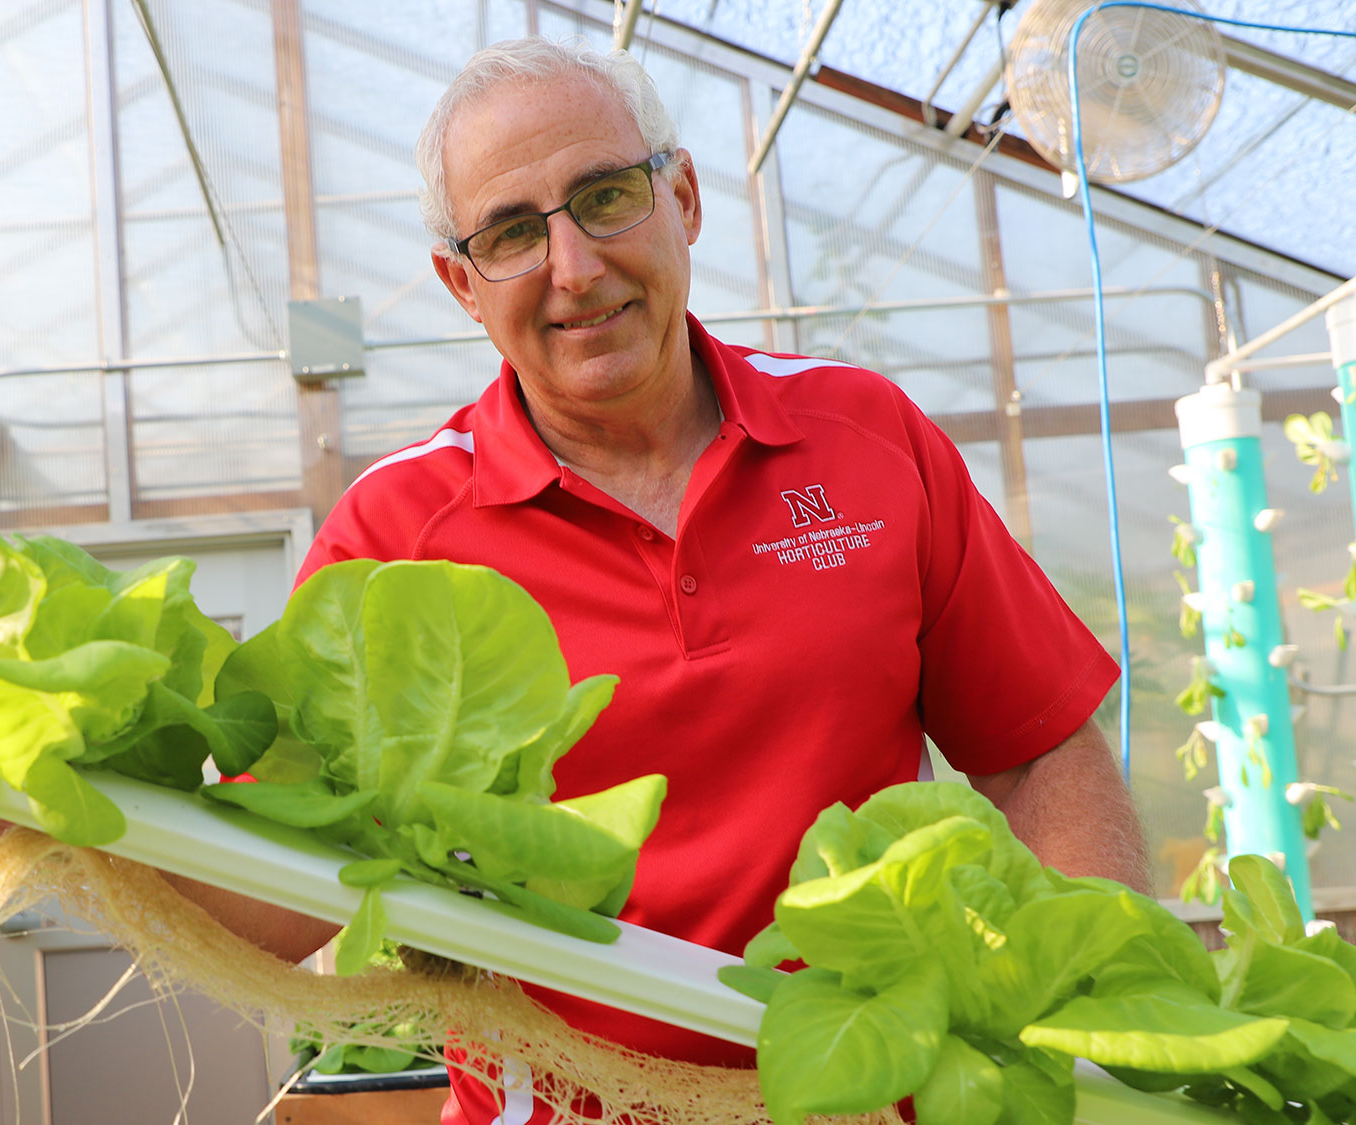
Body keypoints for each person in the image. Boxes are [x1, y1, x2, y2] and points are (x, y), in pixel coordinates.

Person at [181, 36, 1150, 1125]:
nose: (573, 268)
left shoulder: (864, 438)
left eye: (603, 196)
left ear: (681, 197)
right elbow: (276, 881)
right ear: (462, 284)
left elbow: (1034, 756)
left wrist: (1081, 1021)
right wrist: (41, 799)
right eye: (510, 233)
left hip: (868, 1101)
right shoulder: (399, 531)